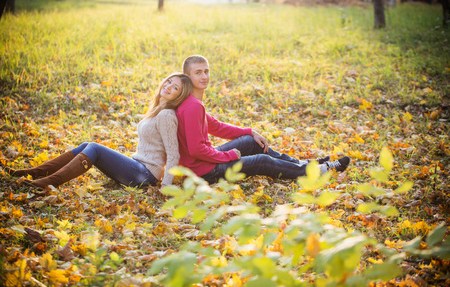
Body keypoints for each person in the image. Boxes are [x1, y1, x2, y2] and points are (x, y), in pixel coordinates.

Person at [176, 55, 350, 184]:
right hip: (202, 172)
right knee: (262, 161)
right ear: (187, 77)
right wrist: (227, 155)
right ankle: (317, 171)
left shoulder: (193, 102)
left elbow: (217, 127)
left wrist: (250, 132)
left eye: (206, 71)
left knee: (251, 142)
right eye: (198, 72)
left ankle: (302, 164)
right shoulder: (193, 106)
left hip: (203, 164)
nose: (204, 76)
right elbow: (195, 150)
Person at [3, 73, 193, 188]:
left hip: (144, 175)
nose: (168, 87)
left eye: (175, 87)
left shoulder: (167, 115)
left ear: (179, 95)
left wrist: (166, 187)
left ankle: (50, 181)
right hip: (138, 168)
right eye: (169, 81)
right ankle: (36, 172)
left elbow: (173, 154)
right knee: (87, 145)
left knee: (93, 147)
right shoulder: (157, 109)